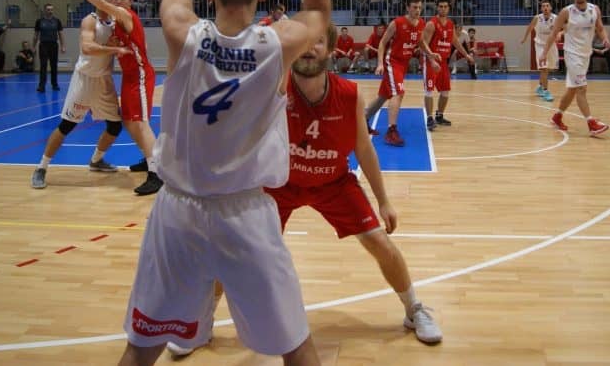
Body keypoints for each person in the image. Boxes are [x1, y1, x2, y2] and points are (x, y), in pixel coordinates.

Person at [117, 0, 327, 366]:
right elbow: (318, 9)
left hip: (178, 210)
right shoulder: (277, 44)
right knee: (296, 347)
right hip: (244, 215)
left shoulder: (183, 35)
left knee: (142, 350)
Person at [165, 24, 443, 357]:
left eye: (318, 42)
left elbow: (364, 148)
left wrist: (384, 201)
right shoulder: (271, 90)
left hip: (333, 183)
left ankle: (414, 309)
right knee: (234, 249)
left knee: (379, 242)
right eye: (303, 43)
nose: (309, 48)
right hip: (280, 183)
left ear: (330, 50)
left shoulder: (349, 94)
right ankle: (200, 322)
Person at [62, 0, 162, 196]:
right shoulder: (116, 24)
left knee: (141, 123)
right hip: (128, 76)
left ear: (130, 1)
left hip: (140, 75)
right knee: (129, 122)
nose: (118, 1)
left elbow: (103, 6)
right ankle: (149, 159)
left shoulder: (126, 15)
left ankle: (157, 172)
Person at [31, 0, 131, 189]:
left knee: (115, 126)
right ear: (94, 0)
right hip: (84, 79)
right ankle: (41, 168)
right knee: (67, 125)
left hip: (104, 80)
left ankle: (96, 160)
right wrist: (114, 49)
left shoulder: (115, 22)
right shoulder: (89, 21)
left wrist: (115, 45)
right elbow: (87, 48)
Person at [365, 0, 439, 146]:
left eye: (419, 7)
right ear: (407, 8)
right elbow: (382, 43)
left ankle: (362, 120)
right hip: (392, 62)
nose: (417, 10)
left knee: (383, 97)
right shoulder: (397, 23)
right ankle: (391, 131)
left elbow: (421, 42)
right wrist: (380, 64)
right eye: (414, 7)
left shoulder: (421, 24)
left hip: (403, 64)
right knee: (399, 93)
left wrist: (431, 55)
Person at [541, 0, 610, 135]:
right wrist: (544, 53)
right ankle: (591, 123)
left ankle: (557, 117)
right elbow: (554, 33)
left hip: (586, 54)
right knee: (581, 88)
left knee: (572, 89)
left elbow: (600, 28)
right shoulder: (566, 12)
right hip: (572, 54)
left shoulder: (594, 9)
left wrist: (605, 38)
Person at [422, 0, 474, 130]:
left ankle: (439, 115)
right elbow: (424, 45)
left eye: (445, 6)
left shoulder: (450, 24)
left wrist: (466, 55)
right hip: (431, 61)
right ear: (437, 8)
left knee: (445, 91)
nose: (443, 8)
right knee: (429, 90)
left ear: (449, 8)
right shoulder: (431, 24)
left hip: (443, 62)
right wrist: (432, 60)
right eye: (441, 6)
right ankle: (429, 118)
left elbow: (455, 42)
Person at [520, 0, 558, 102]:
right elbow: (530, 28)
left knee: (548, 69)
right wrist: (524, 38)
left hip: (551, 46)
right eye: (543, 6)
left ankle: (540, 86)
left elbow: (564, 27)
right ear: (541, 9)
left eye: (547, 6)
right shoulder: (537, 18)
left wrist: (560, 33)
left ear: (551, 8)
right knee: (544, 68)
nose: (545, 8)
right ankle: (546, 91)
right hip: (540, 45)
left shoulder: (556, 18)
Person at [34, 4, 65, 92]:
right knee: (43, 65)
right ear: (44, 10)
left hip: (54, 45)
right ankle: (41, 86)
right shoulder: (39, 21)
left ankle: (54, 84)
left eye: (51, 9)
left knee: (54, 65)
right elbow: (36, 35)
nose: (50, 11)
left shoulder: (57, 21)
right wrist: (33, 46)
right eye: (48, 9)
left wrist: (63, 46)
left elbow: (61, 34)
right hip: (43, 45)